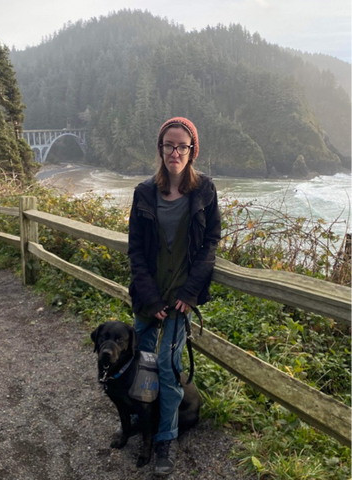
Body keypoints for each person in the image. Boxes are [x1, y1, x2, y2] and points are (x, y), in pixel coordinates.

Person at [128, 117, 221, 476]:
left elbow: (210, 242)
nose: (175, 152)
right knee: (142, 361)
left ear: (192, 150)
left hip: (181, 299)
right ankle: (146, 425)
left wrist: (190, 291)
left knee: (168, 368)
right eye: (169, 145)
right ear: (161, 148)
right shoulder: (144, 192)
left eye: (183, 146)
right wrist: (150, 298)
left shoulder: (205, 191)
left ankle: (165, 439)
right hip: (149, 298)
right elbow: (136, 251)